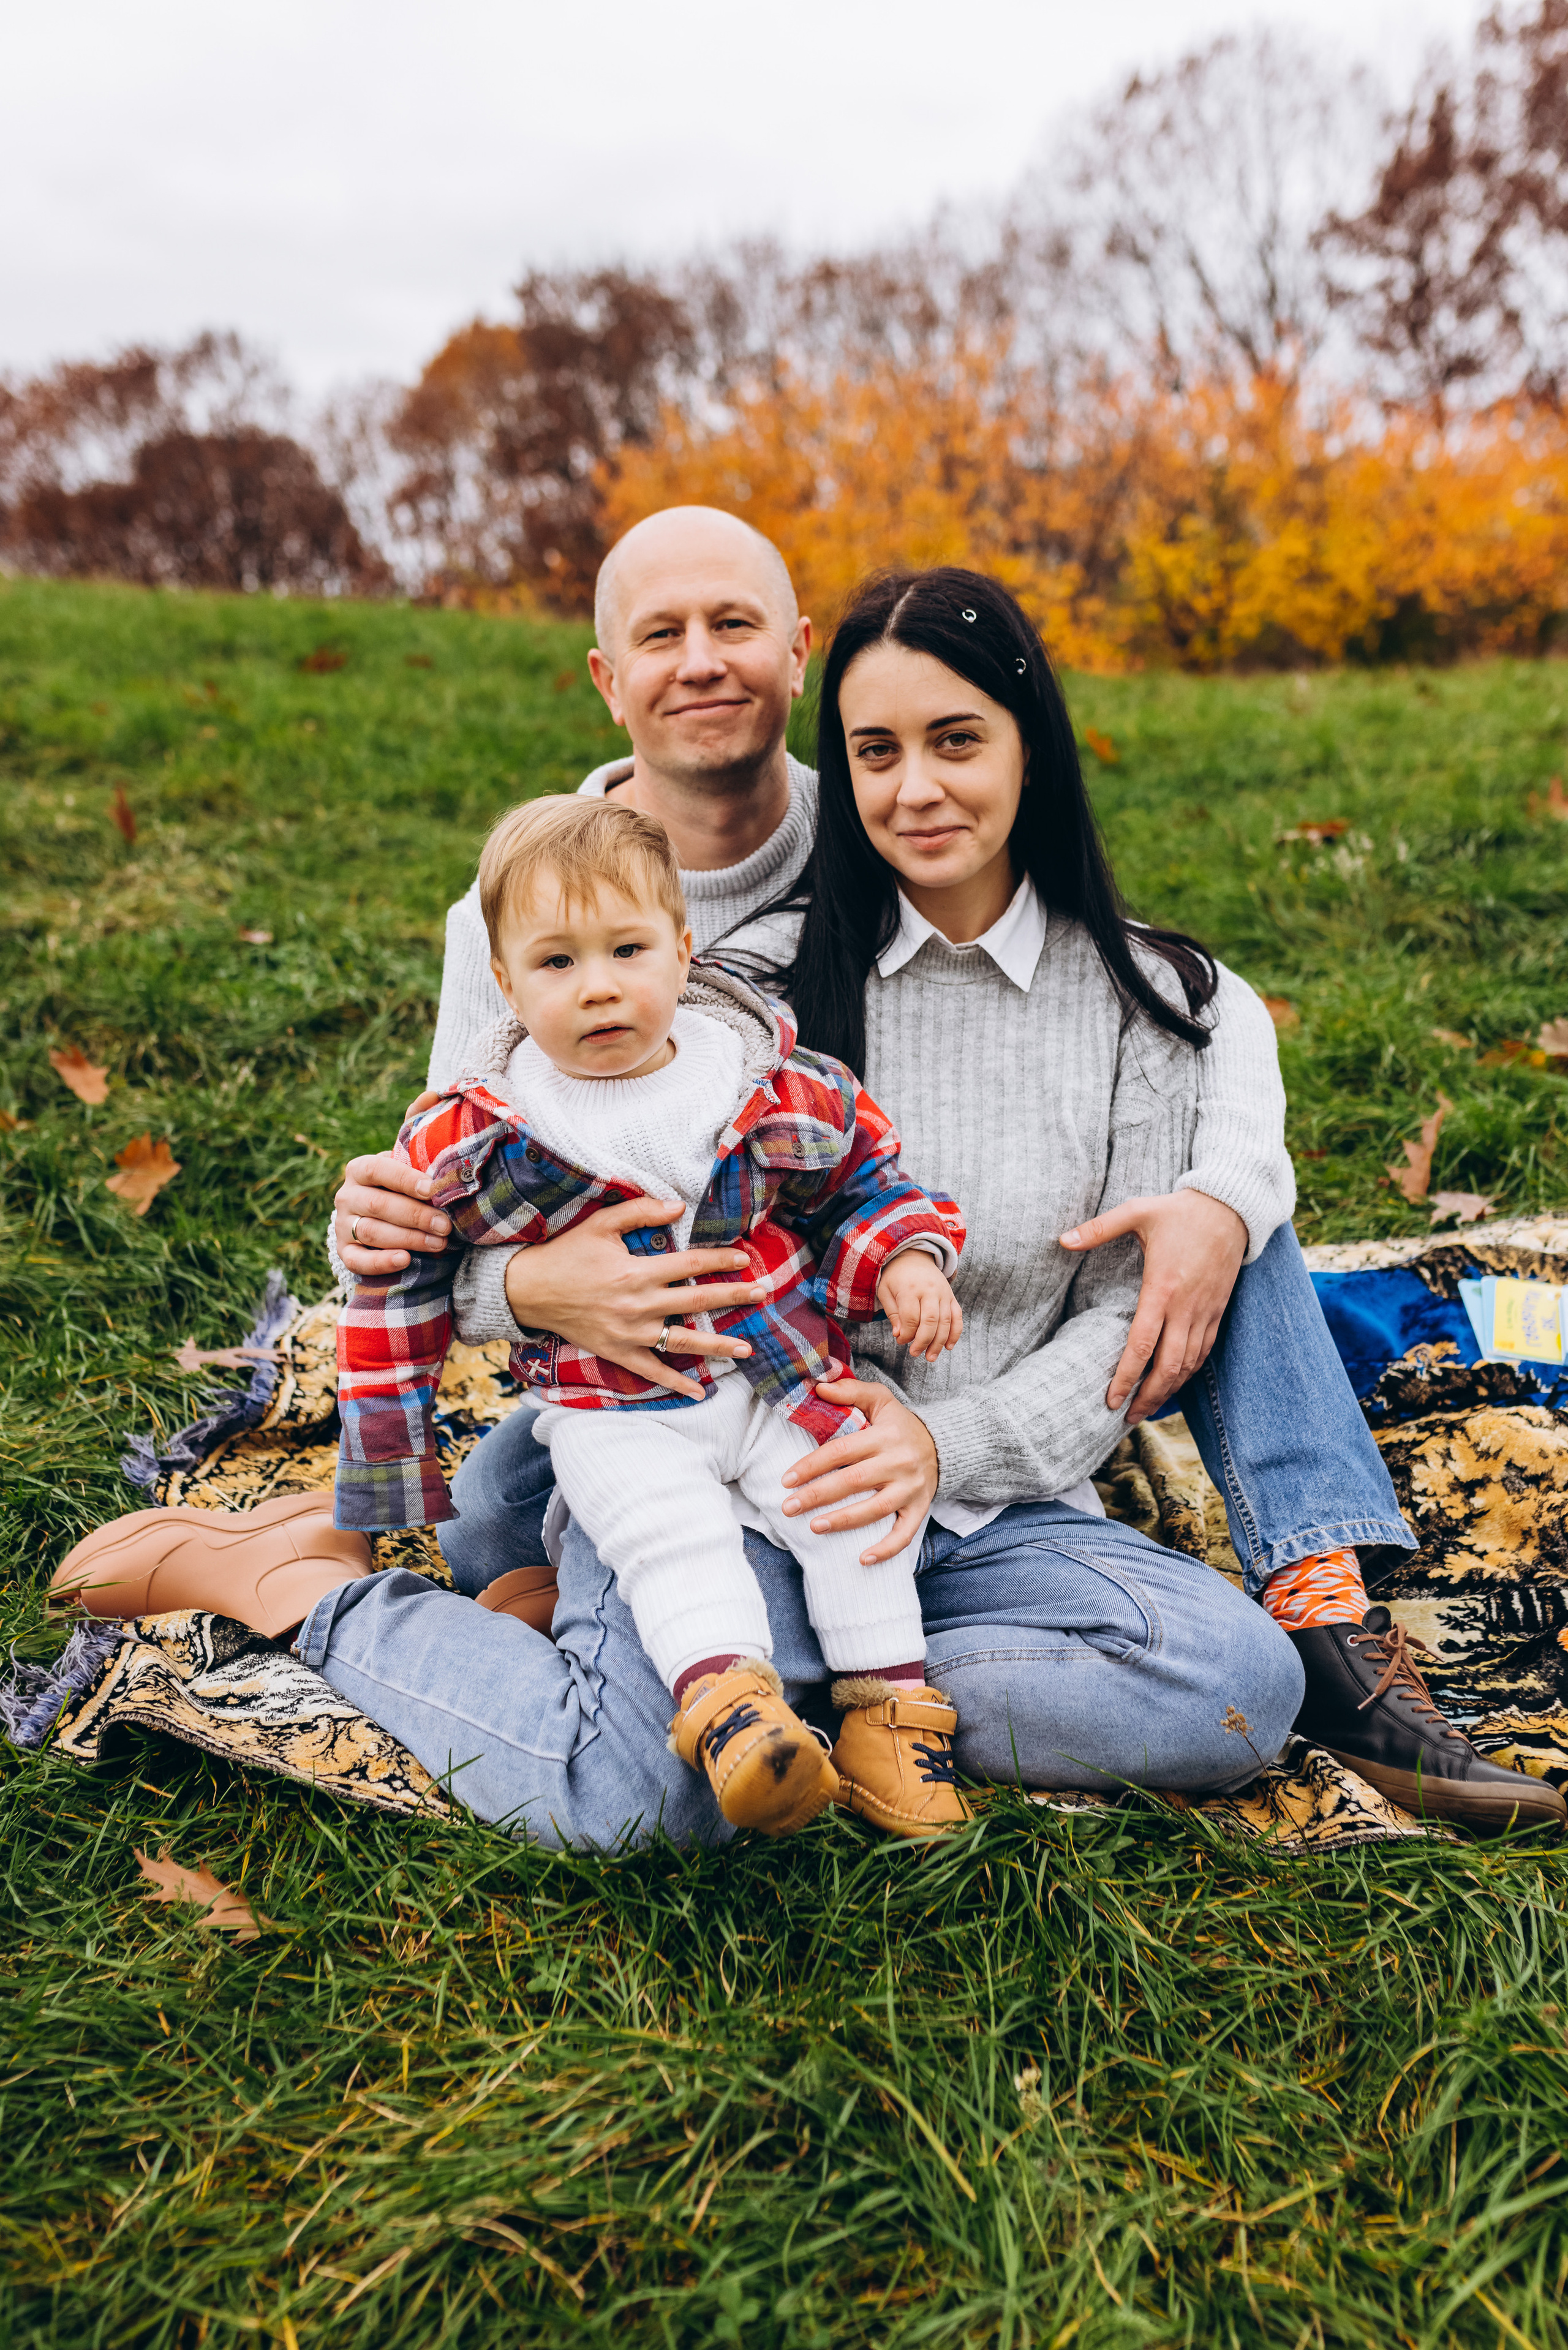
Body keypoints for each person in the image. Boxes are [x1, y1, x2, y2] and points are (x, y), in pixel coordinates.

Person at [53, 520, 1562, 1839]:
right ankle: (316, 1593)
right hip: (733, 1445)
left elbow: (1159, 1225)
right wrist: (455, 1252)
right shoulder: (744, 988)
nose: (913, 786)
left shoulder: (1160, 1005)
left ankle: (810, 1680)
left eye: (957, 738)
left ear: (1030, 739)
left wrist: (949, 1430)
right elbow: (496, 1147)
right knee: (643, 1787)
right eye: (876, 752)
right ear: (830, 764)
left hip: (963, 1492)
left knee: (1230, 1693)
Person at [335, 792, 972, 1840]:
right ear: (503, 983)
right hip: (614, 1408)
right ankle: (732, 1713)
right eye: (556, 964)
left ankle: (886, 1714)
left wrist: (901, 1258)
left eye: (627, 948)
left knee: (849, 1508)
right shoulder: (485, 1128)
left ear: (681, 949)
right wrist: (393, 1457)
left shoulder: (760, 1078)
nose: (599, 988)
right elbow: (395, 1275)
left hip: (781, 1375)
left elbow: (866, 1175)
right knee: (670, 1539)